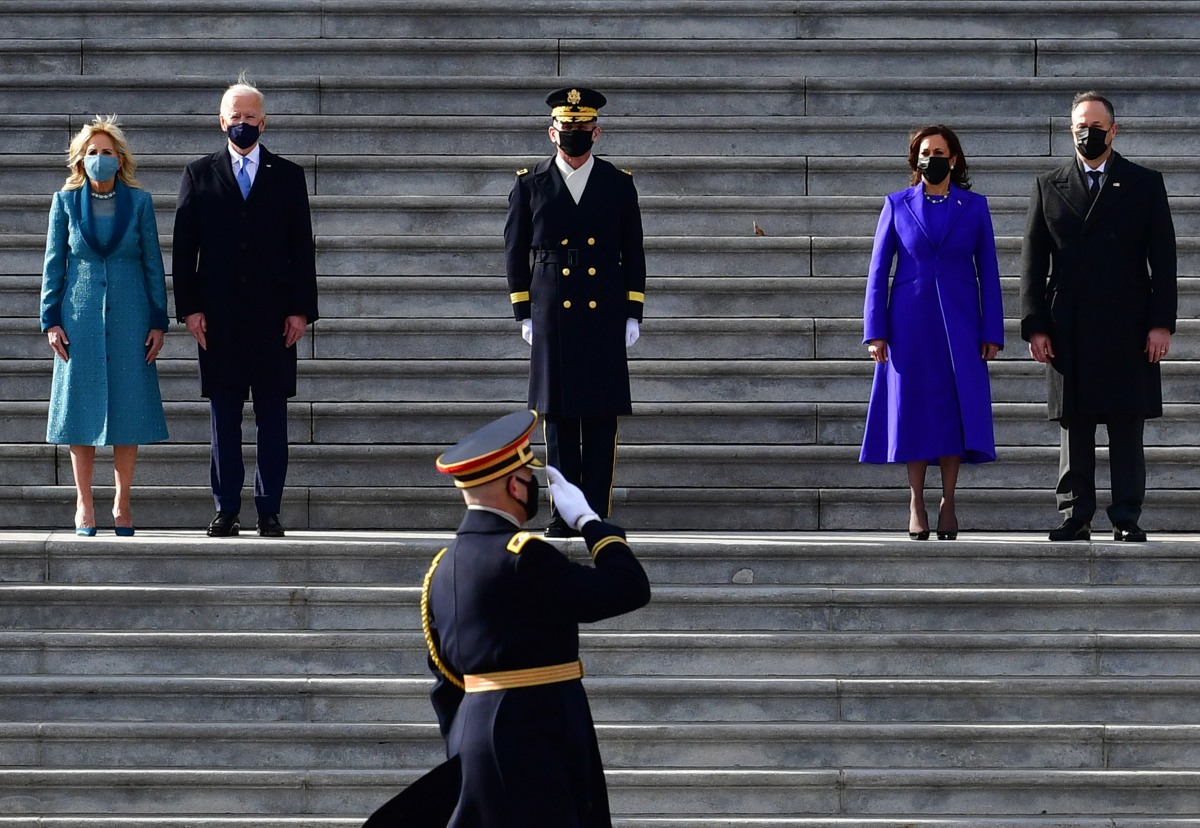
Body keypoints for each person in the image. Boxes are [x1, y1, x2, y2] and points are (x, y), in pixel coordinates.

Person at [402, 409, 650, 827]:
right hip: (536, 738)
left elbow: (446, 686)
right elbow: (628, 588)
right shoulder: (524, 556)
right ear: (515, 485)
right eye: (529, 477)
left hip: (470, 743)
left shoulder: (439, 571)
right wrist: (591, 523)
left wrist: (466, 744)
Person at [1020, 92, 1176, 542]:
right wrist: (1035, 325)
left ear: (1114, 129)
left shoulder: (1145, 183)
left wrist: (1160, 323)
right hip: (1069, 325)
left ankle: (1127, 515)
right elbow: (1032, 262)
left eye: (1097, 126)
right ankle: (1076, 513)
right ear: (1071, 132)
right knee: (1076, 423)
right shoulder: (1049, 185)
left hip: (1128, 323)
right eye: (1080, 127)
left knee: (1127, 423)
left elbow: (1163, 260)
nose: (1088, 134)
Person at [172, 76, 318, 538]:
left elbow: (303, 247)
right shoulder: (198, 173)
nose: (242, 124)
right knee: (224, 417)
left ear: (264, 122)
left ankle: (269, 508)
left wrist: (301, 309)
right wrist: (189, 309)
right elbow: (182, 249)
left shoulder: (289, 175)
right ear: (221, 122)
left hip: (275, 318)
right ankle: (226, 507)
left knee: (273, 416)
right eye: (235, 117)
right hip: (218, 319)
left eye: (250, 117)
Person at [504, 87, 647, 537]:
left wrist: (632, 312)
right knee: (560, 418)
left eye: (583, 128)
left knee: (601, 416)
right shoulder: (530, 183)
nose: (575, 136)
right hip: (552, 309)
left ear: (596, 132)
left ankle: (595, 513)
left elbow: (634, 252)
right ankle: (565, 513)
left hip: (603, 307)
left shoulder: (618, 183)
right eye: (567, 129)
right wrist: (523, 312)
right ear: (552, 132)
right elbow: (514, 252)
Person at [860, 125, 1004, 540]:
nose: (932, 158)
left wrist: (991, 328)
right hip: (909, 324)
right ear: (915, 159)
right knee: (916, 411)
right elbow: (877, 271)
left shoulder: (974, 207)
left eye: (940, 151)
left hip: (960, 324)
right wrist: (876, 331)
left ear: (953, 158)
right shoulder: (896, 204)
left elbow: (989, 273)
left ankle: (949, 501)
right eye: (925, 152)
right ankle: (916, 501)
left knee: (954, 412)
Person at [40, 116, 169, 537]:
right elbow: (53, 264)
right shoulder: (64, 202)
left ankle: (122, 501)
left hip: (131, 315)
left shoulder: (140, 202)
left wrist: (158, 320)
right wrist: (51, 319)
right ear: (80, 159)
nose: (99, 158)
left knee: (127, 409)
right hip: (79, 317)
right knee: (80, 409)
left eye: (107, 152)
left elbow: (153, 263)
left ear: (120, 159)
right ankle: (83, 503)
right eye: (92, 152)